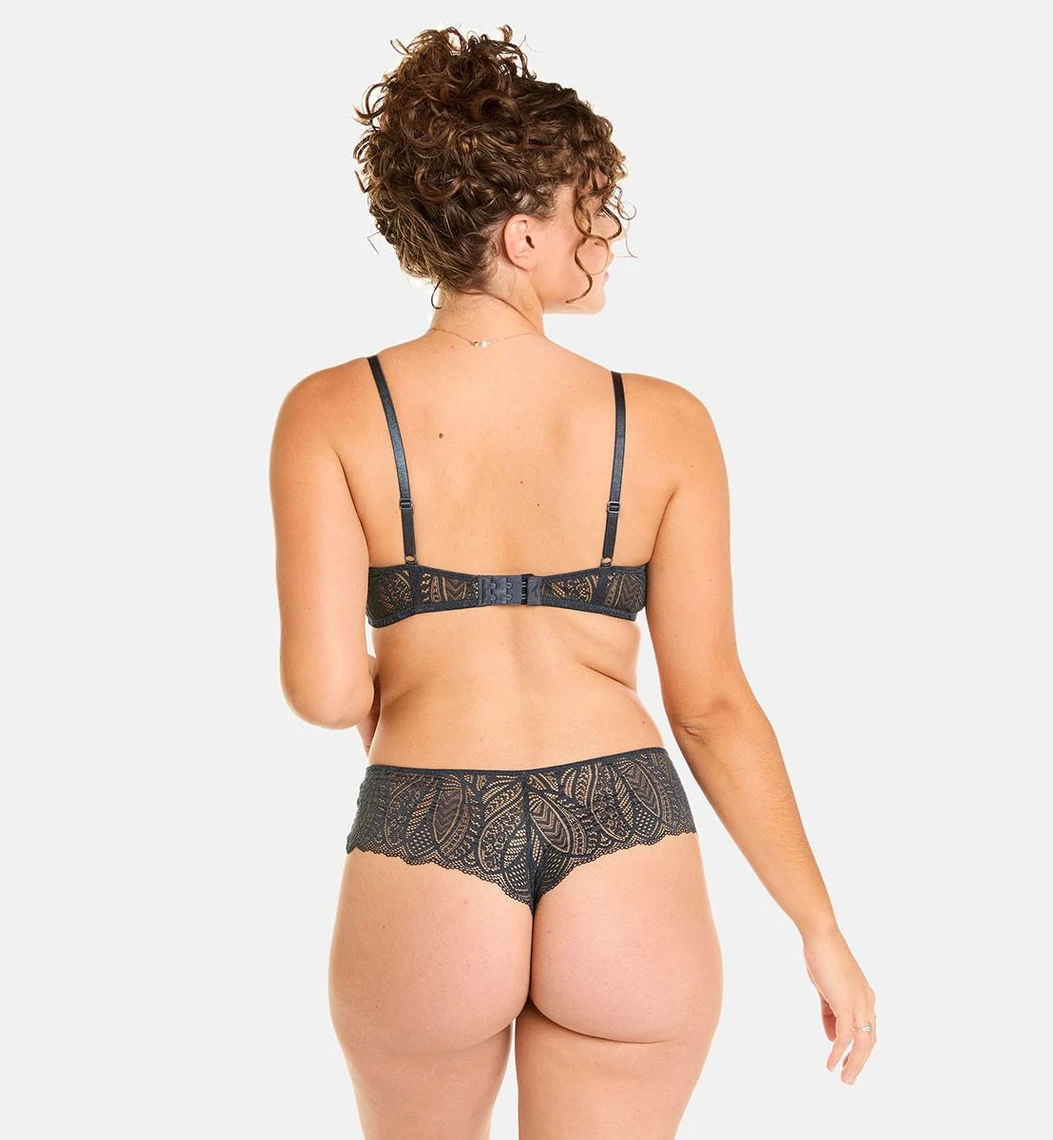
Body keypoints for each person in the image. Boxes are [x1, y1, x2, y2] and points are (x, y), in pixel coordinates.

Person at [269, 24, 876, 1140]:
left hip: (427, 821)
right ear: (523, 234)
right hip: (624, 829)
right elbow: (711, 706)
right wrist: (818, 926)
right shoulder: (667, 424)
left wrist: (412, 696)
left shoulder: (331, 412)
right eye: (591, 208)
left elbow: (323, 689)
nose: (607, 234)